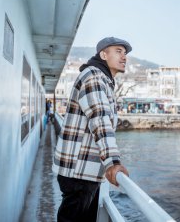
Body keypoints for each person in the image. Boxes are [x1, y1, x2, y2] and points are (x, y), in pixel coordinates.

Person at [52, 37, 131, 222]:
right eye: (118, 51)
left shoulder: (102, 80)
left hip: (85, 170)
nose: (124, 56)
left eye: (125, 53)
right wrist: (113, 162)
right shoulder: (94, 78)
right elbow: (100, 120)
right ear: (103, 54)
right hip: (80, 171)